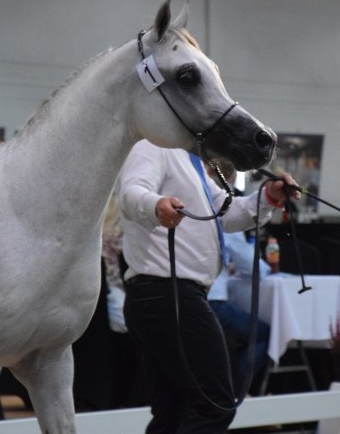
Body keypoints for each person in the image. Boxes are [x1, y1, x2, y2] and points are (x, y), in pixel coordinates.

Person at [118, 140, 297, 434]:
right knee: (215, 405)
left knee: (173, 411)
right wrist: (155, 204)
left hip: (164, 296)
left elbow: (224, 213)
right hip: (168, 294)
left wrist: (267, 196)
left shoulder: (190, 160)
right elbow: (130, 192)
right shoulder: (153, 146)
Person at [204, 161, 271, 395]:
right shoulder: (221, 207)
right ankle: (235, 390)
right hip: (213, 302)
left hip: (188, 295)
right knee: (265, 335)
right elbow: (251, 266)